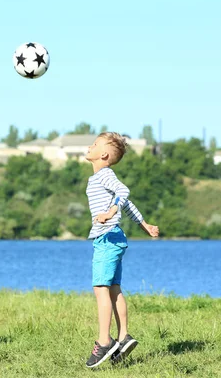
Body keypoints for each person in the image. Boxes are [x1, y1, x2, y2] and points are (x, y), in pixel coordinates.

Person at [84, 132, 160, 368]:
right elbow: (127, 201)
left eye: (95, 144)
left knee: (101, 289)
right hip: (114, 238)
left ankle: (104, 341)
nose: (90, 146)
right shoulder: (101, 177)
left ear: (104, 154)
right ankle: (124, 336)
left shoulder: (104, 175)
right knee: (114, 288)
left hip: (107, 237)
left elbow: (123, 193)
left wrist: (109, 212)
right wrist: (143, 223)